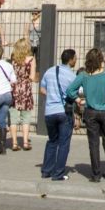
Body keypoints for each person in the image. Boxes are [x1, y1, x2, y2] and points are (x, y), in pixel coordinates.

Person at [66, 48, 105, 182]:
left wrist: (77, 99)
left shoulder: (84, 75)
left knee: (93, 143)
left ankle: (96, 174)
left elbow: (70, 90)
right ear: (100, 60)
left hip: (90, 112)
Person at [39, 48, 78, 181]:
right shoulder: (72, 76)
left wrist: (52, 96)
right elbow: (74, 95)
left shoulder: (50, 71)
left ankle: (46, 170)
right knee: (64, 143)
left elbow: (42, 89)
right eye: (75, 58)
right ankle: (58, 173)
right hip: (63, 112)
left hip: (49, 111)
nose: (76, 60)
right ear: (71, 60)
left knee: (52, 141)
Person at [9, 38, 38, 152]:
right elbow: (31, 77)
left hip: (14, 88)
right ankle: (25, 142)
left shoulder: (13, 59)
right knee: (26, 116)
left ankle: (14, 143)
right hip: (26, 89)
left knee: (14, 117)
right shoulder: (31, 59)